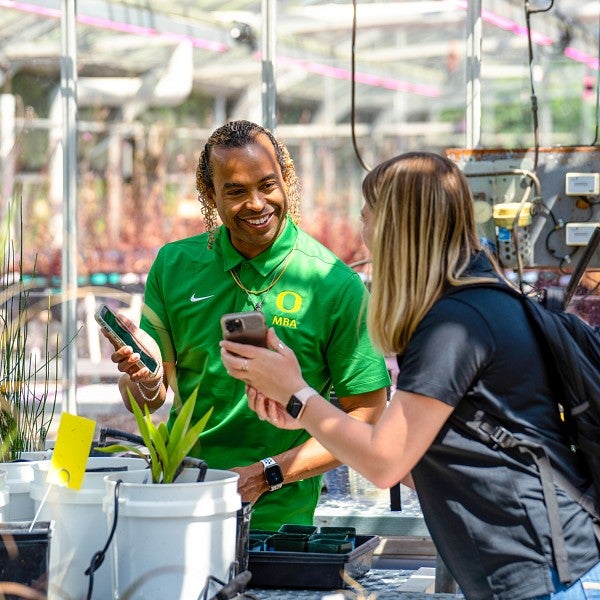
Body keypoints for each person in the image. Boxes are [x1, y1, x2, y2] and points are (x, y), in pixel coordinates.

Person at [221, 151, 600, 599]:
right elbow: (424, 463)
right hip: (544, 568)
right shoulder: (475, 304)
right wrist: (301, 411)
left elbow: (384, 463)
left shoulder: (455, 327)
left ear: (398, 226)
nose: (363, 235)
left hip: (543, 575)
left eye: (367, 217)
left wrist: (298, 393)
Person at [105, 119, 390, 530]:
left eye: (267, 185)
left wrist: (266, 474)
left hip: (281, 522)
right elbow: (148, 398)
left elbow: (367, 416)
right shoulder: (175, 266)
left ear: (286, 180)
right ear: (209, 195)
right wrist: (144, 379)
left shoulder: (333, 284)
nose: (256, 204)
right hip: (186, 502)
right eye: (236, 191)